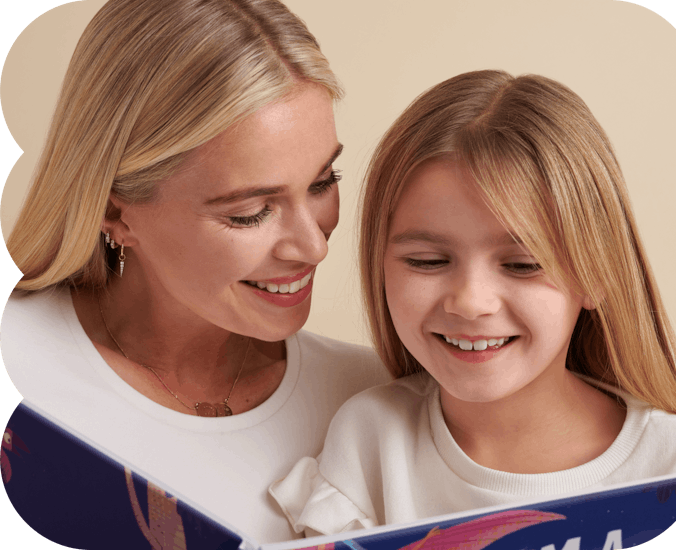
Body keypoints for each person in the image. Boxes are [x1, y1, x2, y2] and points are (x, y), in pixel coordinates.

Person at [0, 0, 388, 544]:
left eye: (324, 181)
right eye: (250, 212)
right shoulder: (15, 365)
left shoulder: (378, 400)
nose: (313, 246)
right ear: (115, 213)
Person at [270, 70, 676, 536]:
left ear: (595, 273)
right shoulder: (370, 438)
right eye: (428, 260)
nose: (471, 303)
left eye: (522, 265)